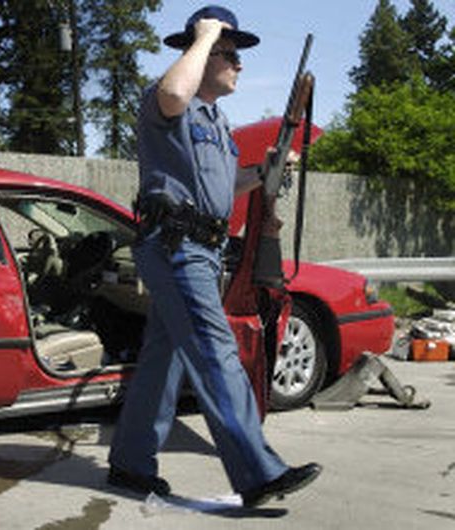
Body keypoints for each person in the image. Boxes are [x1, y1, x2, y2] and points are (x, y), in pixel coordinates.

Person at [107, 5, 321, 508]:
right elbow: (175, 91)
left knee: (165, 359)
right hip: (175, 246)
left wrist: (264, 168)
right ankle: (258, 472)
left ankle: (131, 465)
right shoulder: (167, 100)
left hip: (201, 249)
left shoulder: (215, 120)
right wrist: (202, 38)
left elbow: (228, 187)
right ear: (200, 54)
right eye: (230, 54)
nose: (239, 65)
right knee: (216, 350)